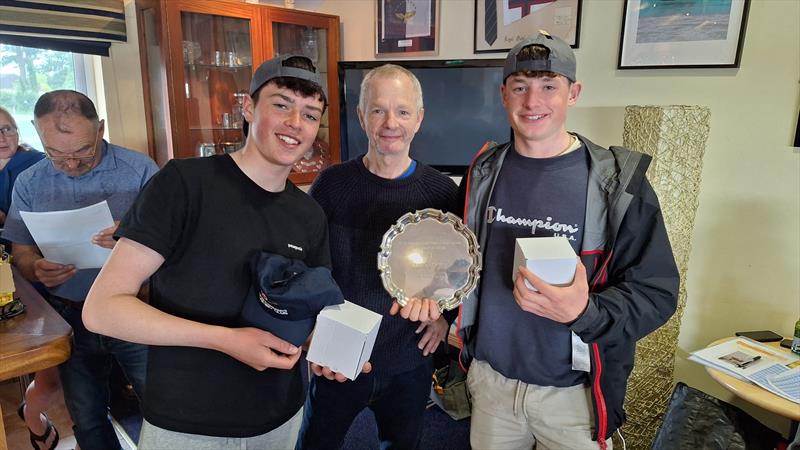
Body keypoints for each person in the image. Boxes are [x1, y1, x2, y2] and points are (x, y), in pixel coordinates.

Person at [82, 54, 355, 449]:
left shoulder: (308, 213)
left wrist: (336, 352)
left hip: (280, 417)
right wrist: (225, 339)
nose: (296, 123)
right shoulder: (183, 184)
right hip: (189, 423)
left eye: (310, 115)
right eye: (281, 105)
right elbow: (103, 309)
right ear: (248, 106)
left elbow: (308, 316)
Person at [456, 32, 680, 450]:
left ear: (573, 93)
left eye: (548, 86)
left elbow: (657, 294)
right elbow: (460, 264)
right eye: (520, 86)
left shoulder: (618, 184)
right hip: (492, 387)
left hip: (574, 399)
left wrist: (585, 310)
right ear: (503, 93)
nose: (532, 101)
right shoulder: (482, 173)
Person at [296, 64, 458, 450]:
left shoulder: (442, 195)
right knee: (316, 443)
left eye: (402, 111)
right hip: (339, 353)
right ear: (360, 116)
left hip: (409, 355)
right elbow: (308, 268)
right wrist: (307, 334)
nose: (390, 123)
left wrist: (445, 317)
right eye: (378, 110)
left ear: (418, 119)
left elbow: (458, 270)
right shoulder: (331, 185)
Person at [1, 90, 159, 450]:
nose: (71, 164)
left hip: (136, 309)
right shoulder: (30, 182)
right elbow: (21, 253)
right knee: (87, 419)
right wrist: (36, 269)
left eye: (83, 152)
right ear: (37, 134)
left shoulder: (140, 170)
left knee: (163, 410)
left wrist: (135, 237)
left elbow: (178, 242)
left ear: (100, 128)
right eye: (56, 154)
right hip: (71, 314)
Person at [0, 106, 45, 226]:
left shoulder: (41, 164)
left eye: (7, 129)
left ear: (17, 132)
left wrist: (7, 220)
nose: (1, 138)